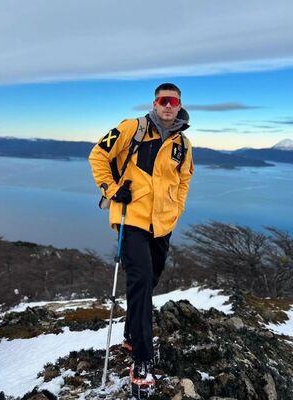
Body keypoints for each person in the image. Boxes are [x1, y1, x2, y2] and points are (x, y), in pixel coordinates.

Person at [89, 83, 193, 393]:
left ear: (179, 105)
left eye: (173, 101)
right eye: (163, 100)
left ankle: (131, 334)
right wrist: (111, 189)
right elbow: (98, 154)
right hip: (131, 218)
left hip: (162, 225)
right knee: (142, 280)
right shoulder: (131, 128)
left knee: (149, 281)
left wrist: (176, 211)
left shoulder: (182, 143)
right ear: (155, 102)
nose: (168, 106)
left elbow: (184, 179)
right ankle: (142, 360)